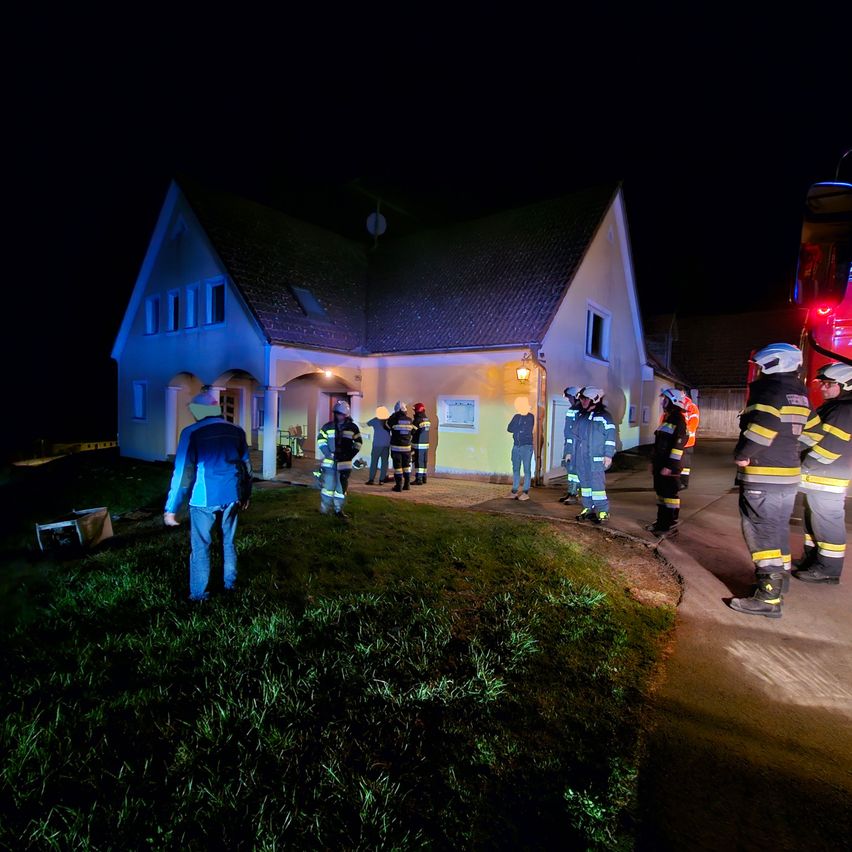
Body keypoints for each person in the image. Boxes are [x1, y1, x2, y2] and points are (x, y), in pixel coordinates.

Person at [729, 342, 811, 618]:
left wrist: (743, 454)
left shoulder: (770, 390)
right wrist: (787, 450)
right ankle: (778, 583)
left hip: (764, 476)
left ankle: (768, 598)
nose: (759, 370)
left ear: (773, 363)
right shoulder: (799, 393)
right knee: (777, 530)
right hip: (787, 477)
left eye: (761, 365)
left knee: (762, 533)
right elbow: (811, 432)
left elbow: (762, 427)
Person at [164, 390, 252, 601]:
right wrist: (246, 494)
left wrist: (171, 508)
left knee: (201, 546)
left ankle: (199, 594)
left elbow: (183, 473)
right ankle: (230, 585)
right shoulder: (237, 431)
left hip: (204, 498)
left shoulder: (191, 433)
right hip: (232, 495)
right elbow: (246, 465)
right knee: (228, 542)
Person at [794, 362, 852, 585]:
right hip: (819, 477)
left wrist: (803, 463)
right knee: (813, 521)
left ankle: (828, 569)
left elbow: (829, 448)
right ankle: (812, 559)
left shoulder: (844, 410)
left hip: (827, 477)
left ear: (846, 385)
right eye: (822, 383)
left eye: (829, 384)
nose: (823, 388)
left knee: (828, 523)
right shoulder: (835, 407)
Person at [647, 388, 689, 536]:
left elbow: (678, 447)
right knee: (661, 495)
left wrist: (670, 466)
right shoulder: (668, 418)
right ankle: (661, 522)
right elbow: (659, 443)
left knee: (669, 496)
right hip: (661, 464)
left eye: (665, 400)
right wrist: (653, 462)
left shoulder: (679, 421)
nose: (662, 402)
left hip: (670, 466)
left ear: (673, 401)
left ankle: (669, 524)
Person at [571, 386, 616, 524]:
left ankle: (603, 511)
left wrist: (608, 455)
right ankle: (588, 508)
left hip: (596, 458)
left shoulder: (604, 417)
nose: (583, 401)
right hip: (581, 458)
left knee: (597, 486)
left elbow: (610, 437)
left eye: (585, 399)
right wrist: (571, 454)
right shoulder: (582, 416)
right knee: (584, 484)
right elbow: (575, 437)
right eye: (582, 399)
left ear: (595, 399)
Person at [317, 400, 363, 519]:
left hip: (345, 463)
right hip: (330, 463)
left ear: (346, 414)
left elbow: (358, 442)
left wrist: (350, 454)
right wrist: (328, 454)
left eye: (340, 413)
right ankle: (324, 509)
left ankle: (338, 510)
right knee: (328, 487)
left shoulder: (352, 427)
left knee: (341, 489)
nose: (337, 416)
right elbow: (321, 440)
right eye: (336, 413)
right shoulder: (328, 426)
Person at [506, 397, 535, 500]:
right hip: (516, 445)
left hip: (526, 446)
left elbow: (526, 429)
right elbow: (509, 428)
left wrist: (517, 428)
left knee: (526, 469)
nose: (517, 407)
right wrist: (519, 428)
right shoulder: (516, 416)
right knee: (515, 468)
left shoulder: (530, 416)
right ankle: (514, 491)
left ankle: (525, 492)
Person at [559, 386, 581, 504]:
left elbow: (574, 431)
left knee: (574, 470)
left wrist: (570, 450)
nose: (568, 400)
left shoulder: (579, 410)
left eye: (569, 398)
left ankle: (573, 494)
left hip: (574, 446)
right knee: (570, 470)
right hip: (570, 444)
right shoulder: (574, 409)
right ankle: (571, 492)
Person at [385, 401, 413, 492]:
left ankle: (398, 486)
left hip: (396, 448)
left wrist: (393, 416)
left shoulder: (393, 420)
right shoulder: (409, 420)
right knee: (406, 466)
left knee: (398, 468)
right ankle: (407, 485)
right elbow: (413, 431)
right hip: (407, 448)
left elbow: (386, 426)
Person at [679, 393, 700, 490]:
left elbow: (693, 423)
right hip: (678, 440)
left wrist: (683, 433)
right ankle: (676, 481)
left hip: (687, 442)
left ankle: (684, 482)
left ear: (683, 393)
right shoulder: (676, 406)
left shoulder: (691, 407)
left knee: (685, 464)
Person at [365, 406, 391, 485]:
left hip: (377, 444)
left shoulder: (375, 420)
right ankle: (381, 480)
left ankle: (371, 479)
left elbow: (366, 424)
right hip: (386, 444)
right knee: (384, 462)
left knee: (374, 462)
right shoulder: (389, 421)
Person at [411, 402, 431, 485]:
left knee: (418, 461)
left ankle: (418, 479)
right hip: (425, 444)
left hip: (418, 444)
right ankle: (424, 477)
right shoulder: (426, 419)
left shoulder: (417, 420)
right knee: (424, 461)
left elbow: (412, 432)